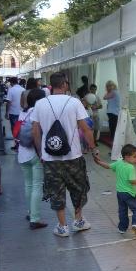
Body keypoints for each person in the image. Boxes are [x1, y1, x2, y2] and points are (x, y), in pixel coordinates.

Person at [31, 72, 97, 237]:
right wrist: (93, 148)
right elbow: (85, 128)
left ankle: (62, 226)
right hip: (73, 156)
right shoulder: (74, 102)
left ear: (52, 85)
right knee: (78, 188)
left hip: (50, 158)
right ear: (65, 85)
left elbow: (35, 131)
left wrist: (41, 152)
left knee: (56, 190)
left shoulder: (40, 104)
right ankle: (78, 220)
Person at [93, 144, 136, 237]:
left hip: (120, 193)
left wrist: (98, 162)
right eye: (135, 157)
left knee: (122, 210)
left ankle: (122, 228)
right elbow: (132, 180)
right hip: (130, 193)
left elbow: (108, 166)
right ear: (127, 156)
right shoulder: (130, 167)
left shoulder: (118, 163)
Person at [18, 89, 48, 230]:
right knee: (37, 185)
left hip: (22, 153)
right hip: (35, 154)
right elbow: (37, 134)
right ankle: (35, 219)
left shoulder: (23, 113)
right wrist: (41, 153)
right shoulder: (38, 112)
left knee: (28, 185)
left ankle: (30, 212)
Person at [4, 77, 25, 151]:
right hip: (22, 112)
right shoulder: (23, 89)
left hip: (13, 112)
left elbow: (8, 102)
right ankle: (21, 144)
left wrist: (7, 112)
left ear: (12, 82)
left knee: (14, 129)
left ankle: (17, 144)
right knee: (21, 129)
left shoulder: (11, 90)